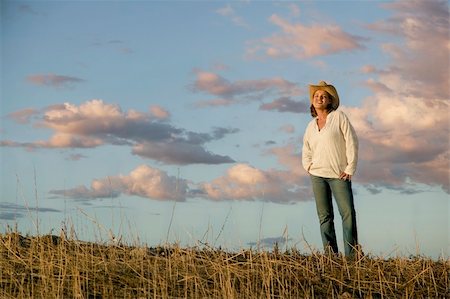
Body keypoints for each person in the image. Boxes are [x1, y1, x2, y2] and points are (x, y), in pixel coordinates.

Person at [302, 80, 360, 257]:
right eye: (316, 96)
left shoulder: (339, 117)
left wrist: (350, 168)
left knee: (347, 213)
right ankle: (330, 257)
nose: (319, 98)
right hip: (317, 175)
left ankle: (351, 257)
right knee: (324, 217)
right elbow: (306, 148)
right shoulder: (311, 126)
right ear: (312, 101)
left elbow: (352, 141)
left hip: (338, 174)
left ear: (329, 100)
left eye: (323, 96)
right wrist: (308, 166)